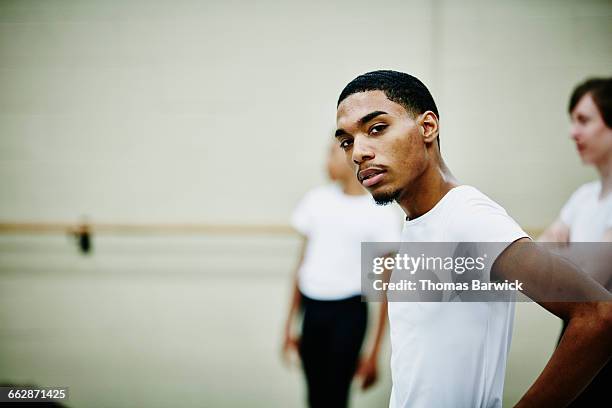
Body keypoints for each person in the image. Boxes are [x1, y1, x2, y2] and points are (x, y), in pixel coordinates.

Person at [334, 70, 612, 407]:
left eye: (377, 129)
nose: (358, 152)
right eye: (347, 141)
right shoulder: (420, 220)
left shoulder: (469, 217)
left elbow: (598, 315)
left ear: (428, 127)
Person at [282, 142, 401, 408]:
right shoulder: (316, 201)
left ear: (352, 158)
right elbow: (301, 267)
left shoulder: (380, 211)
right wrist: (289, 326)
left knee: (336, 395)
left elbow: (384, 288)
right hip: (312, 311)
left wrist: (373, 352)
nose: (325, 161)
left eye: (331, 153)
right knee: (314, 395)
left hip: (348, 315)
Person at [539, 77, 612, 406]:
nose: (573, 133)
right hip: (577, 336)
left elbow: (591, 278)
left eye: (583, 120)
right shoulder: (583, 198)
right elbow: (539, 256)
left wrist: (562, 257)